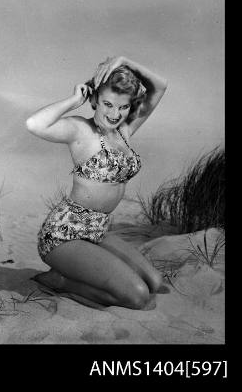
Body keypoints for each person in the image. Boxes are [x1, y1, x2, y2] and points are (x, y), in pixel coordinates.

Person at [26, 55, 168, 310]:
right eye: (108, 104)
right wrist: (73, 100)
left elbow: (160, 86)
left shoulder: (124, 131)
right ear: (94, 100)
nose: (115, 114)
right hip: (64, 235)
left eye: (123, 107)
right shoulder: (81, 131)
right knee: (137, 297)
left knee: (154, 282)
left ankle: (76, 274)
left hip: (98, 231)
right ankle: (60, 280)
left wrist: (123, 60)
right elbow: (33, 124)